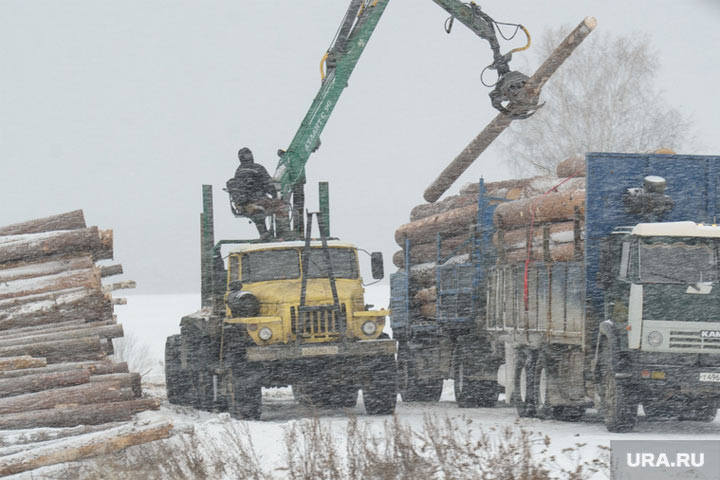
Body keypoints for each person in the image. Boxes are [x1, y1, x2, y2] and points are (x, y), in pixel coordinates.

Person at [226, 147, 288, 239]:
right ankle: (283, 232)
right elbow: (268, 184)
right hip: (258, 201)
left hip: (243, 205)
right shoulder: (257, 168)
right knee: (281, 206)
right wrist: (276, 193)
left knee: (258, 212)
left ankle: (264, 233)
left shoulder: (238, 171)